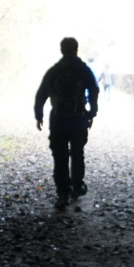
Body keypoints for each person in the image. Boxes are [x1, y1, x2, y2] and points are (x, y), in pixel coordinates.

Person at [34, 37, 100, 209]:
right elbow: (94, 89)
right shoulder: (83, 70)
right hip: (78, 118)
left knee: (60, 157)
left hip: (58, 120)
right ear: (76, 49)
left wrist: (38, 115)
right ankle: (77, 187)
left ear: (61, 50)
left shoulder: (54, 71)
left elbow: (41, 93)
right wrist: (92, 112)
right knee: (77, 154)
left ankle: (62, 192)